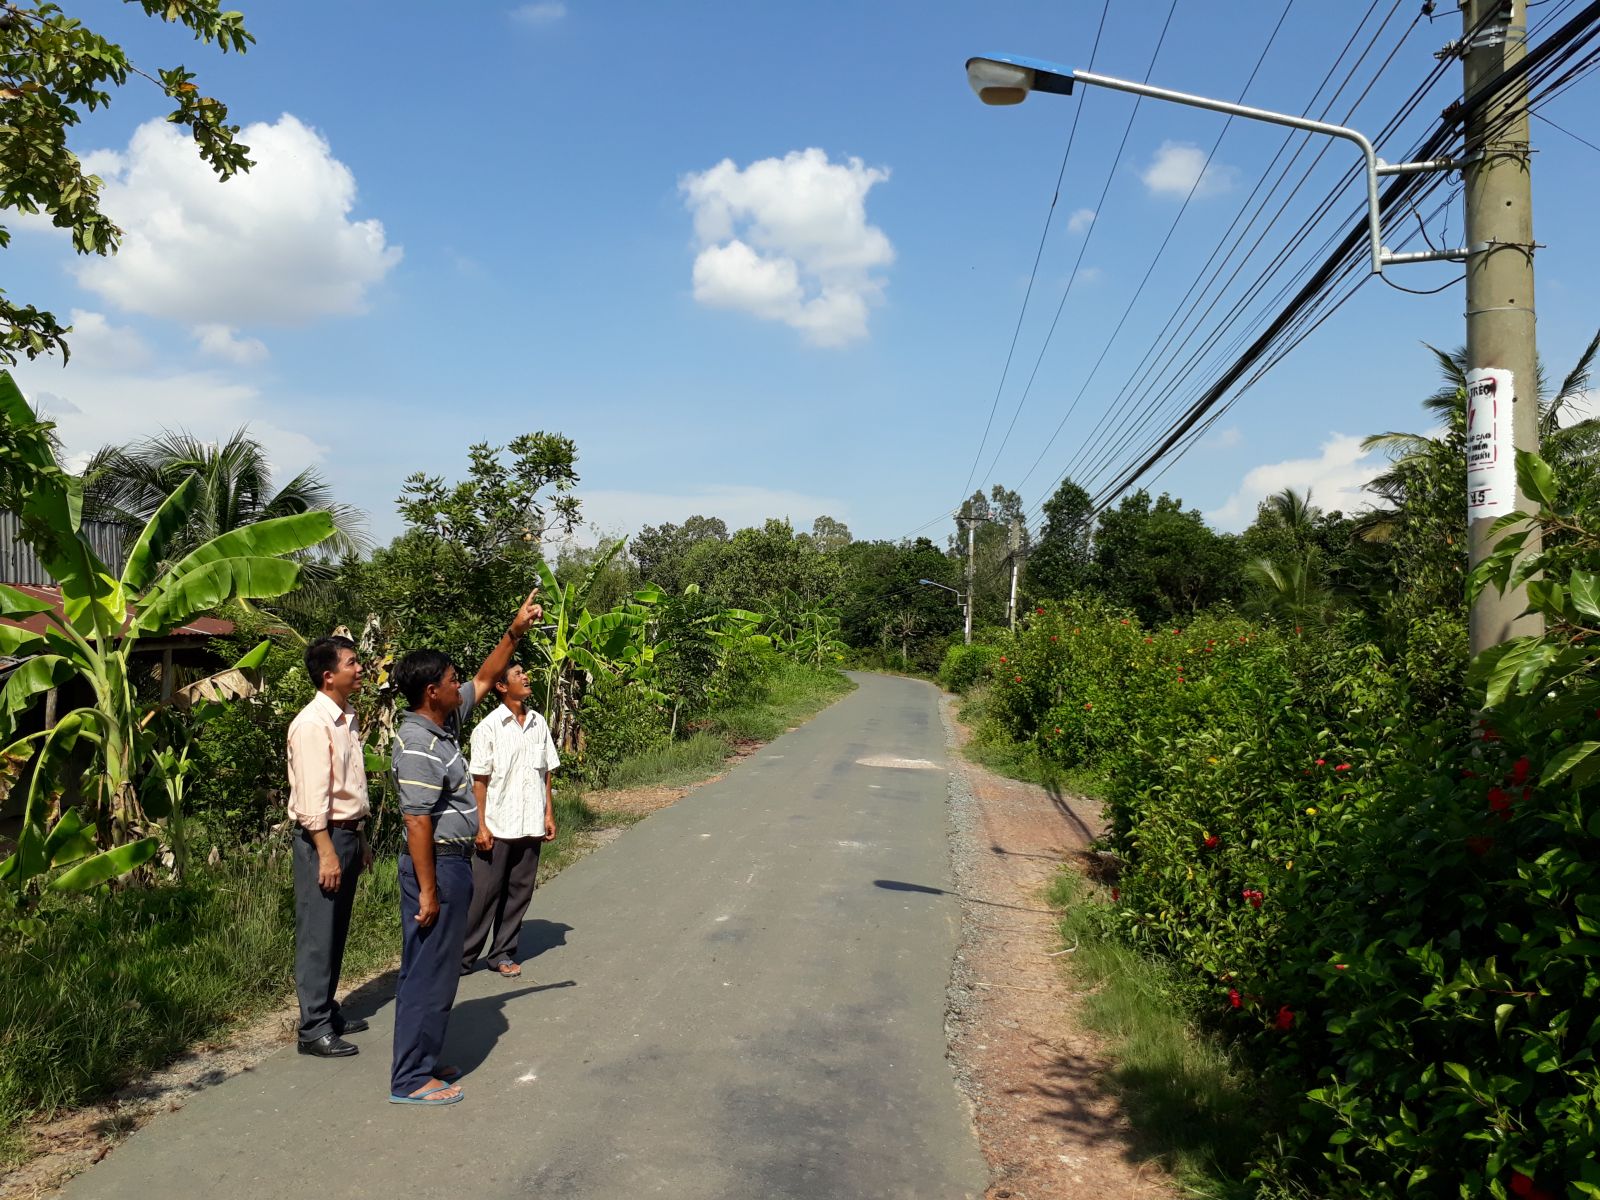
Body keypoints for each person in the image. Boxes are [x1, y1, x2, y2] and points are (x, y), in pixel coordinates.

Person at [387, 589, 543, 1106]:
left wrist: (515, 630)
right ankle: (410, 1078)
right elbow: (416, 826)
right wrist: (429, 892)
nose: (463, 685)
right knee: (428, 973)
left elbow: (484, 675)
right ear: (432, 691)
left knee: (438, 971)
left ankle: (425, 1060)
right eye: (452, 681)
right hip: (437, 868)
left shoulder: (444, 724)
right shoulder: (415, 745)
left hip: (453, 865)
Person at [286, 634, 373, 1059]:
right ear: (328, 676)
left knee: (336, 928)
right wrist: (326, 850)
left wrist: (361, 838)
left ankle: (327, 1009)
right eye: (352, 663)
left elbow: (349, 787)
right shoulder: (311, 724)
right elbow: (312, 799)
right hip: (323, 838)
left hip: (346, 833)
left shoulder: (346, 717)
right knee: (318, 932)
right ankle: (313, 1028)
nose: (359, 669)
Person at [461, 663, 560, 979]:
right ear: (501, 686)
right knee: (483, 894)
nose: (526, 677)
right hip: (497, 824)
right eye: (518, 674)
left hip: (530, 822)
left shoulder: (538, 723)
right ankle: (461, 958)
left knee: (520, 892)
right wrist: (480, 825)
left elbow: (545, 772)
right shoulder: (488, 728)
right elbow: (479, 782)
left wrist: (548, 813)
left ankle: (502, 952)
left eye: (525, 673)